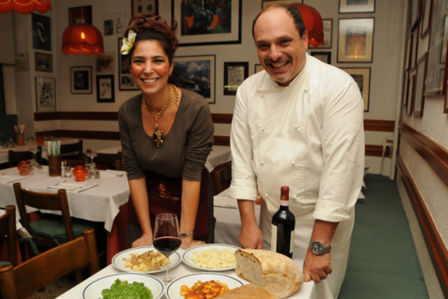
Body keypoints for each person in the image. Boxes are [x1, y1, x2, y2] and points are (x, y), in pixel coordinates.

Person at [229, 4, 364, 298]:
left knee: (314, 294)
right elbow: (240, 160)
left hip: (320, 221)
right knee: (266, 291)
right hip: (270, 217)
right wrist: (248, 222)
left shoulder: (337, 86)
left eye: (284, 41)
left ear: (305, 39)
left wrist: (319, 245)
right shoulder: (248, 91)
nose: (274, 54)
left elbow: (341, 171)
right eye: (264, 46)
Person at [118, 14, 214, 250]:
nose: (148, 70)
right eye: (139, 60)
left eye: (157, 60)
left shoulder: (196, 108)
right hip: (147, 207)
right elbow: (135, 173)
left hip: (189, 203)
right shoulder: (127, 111)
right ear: (130, 66)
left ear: (170, 66)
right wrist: (147, 232)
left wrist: (186, 235)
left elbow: (192, 174)